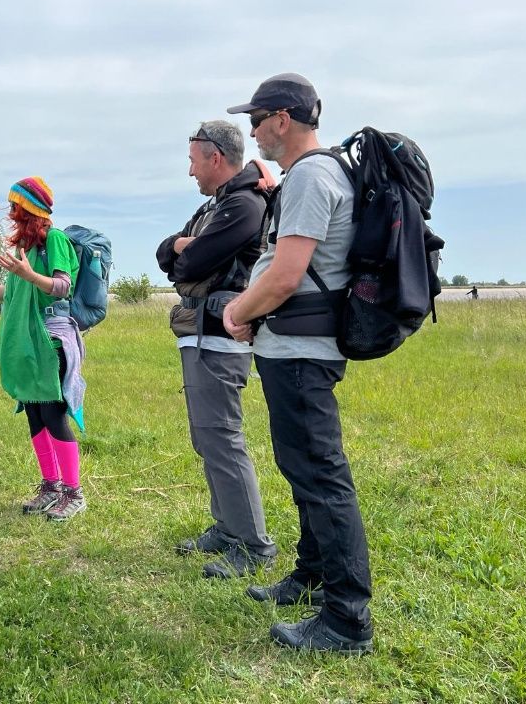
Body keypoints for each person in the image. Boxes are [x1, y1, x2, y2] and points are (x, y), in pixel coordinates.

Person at [223, 74, 374, 654]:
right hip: (293, 348)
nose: (254, 131)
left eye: (256, 120)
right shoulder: (314, 174)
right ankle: (310, 575)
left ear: (282, 118)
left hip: (302, 350)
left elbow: (286, 275)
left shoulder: (312, 175)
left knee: (321, 477)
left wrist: (239, 308)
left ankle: (345, 620)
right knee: (303, 470)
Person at [155, 120, 280, 579]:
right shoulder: (217, 206)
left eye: (192, 160)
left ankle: (253, 543)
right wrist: (180, 247)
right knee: (206, 436)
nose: (189, 171)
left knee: (222, 437)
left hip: (220, 337)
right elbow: (167, 253)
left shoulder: (244, 204)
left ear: (214, 158)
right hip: (197, 329)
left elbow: (190, 260)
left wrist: (182, 249)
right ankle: (227, 529)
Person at [0, 177, 87, 521]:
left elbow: (61, 287)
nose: (10, 213)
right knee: (35, 417)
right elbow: (13, 295)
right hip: (25, 340)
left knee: (53, 415)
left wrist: (28, 274)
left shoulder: (54, 240)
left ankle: (74, 492)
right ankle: (50, 486)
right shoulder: (25, 246)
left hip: (50, 338)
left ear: (30, 209)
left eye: (14, 207)